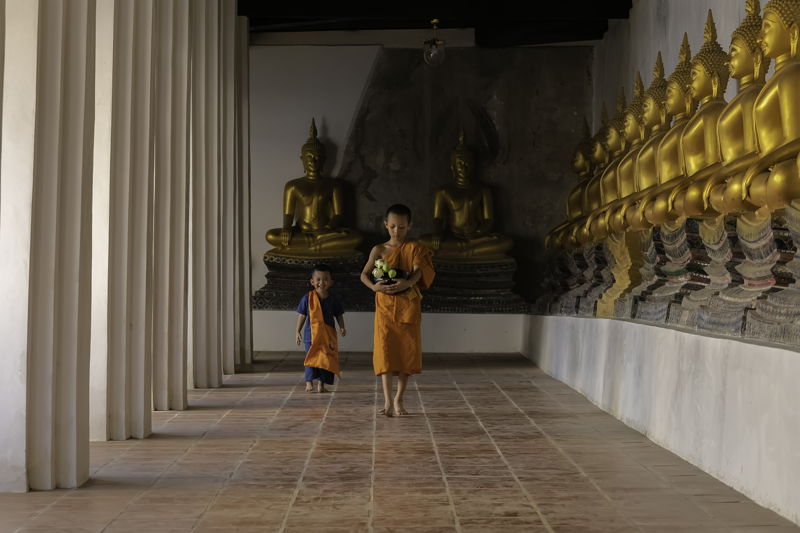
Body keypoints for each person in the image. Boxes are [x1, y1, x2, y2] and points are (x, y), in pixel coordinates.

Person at [360, 204, 435, 416]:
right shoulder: (379, 250)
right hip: (384, 307)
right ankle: (386, 402)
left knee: (405, 352)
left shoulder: (415, 248)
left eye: (401, 227)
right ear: (386, 224)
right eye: (392, 226)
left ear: (409, 226)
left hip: (407, 306)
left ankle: (399, 399)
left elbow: (420, 271)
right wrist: (373, 286)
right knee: (385, 352)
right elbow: (364, 274)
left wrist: (407, 283)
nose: (396, 231)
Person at [295, 264, 346, 393]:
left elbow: (338, 315)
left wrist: (342, 327)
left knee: (326, 359)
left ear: (331, 282)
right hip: (310, 335)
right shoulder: (307, 298)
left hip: (327, 335)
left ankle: (321, 384)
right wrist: (297, 331)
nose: (321, 282)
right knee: (311, 357)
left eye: (325, 279)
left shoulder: (333, 299)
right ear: (312, 282)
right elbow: (302, 315)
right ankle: (309, 382)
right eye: (318, 279)